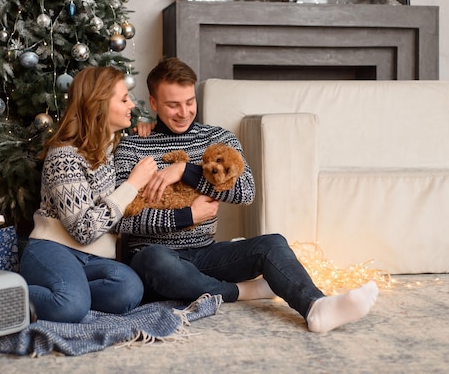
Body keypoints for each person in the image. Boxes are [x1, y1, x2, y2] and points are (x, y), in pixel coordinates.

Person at [114, 57, 378, 333]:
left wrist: (186, 171)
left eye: (189, 102)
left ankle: (316, 306)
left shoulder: (218, 138)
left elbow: (246, 192)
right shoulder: (132, 145)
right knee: (154, 260)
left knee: (272, 243)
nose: (184, 112)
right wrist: (186, 215)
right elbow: (120, 219)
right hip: (155, 258)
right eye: (173, 105)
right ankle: (240, 291)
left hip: (205, 254)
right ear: (153, 103)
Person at [20, 66, 157, 323]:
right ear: (100, 105)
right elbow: (83, 229)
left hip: (92, 259)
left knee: (130, 290)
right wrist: (132, 185)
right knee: (70, 306)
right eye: (124, 99)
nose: (132, 105)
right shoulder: (64, 156)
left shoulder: (108, 148)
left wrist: (149, 128)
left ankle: (68, 292)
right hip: (53, 249)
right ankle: (5, 292)